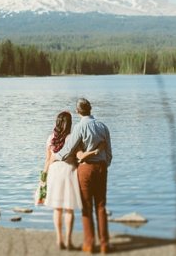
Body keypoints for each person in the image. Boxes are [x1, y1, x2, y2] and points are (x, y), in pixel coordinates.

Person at [55, 98, 112, 254]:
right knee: (101, 206)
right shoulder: (103, 126)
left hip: (85, 170)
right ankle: (105, 244)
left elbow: (67, 150)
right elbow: (109, 154)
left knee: (86, 207)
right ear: (90, 109)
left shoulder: (79, 128)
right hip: (101, 168)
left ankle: (89, 243)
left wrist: (55, 157)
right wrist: (103, 165)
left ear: (77, 111)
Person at [43, 111, 99, 250]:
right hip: (69, 173)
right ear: (70, 124)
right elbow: (80, 157)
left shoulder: (50, 139)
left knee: (57, 209)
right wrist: (94, 152)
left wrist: (43, 178)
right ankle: (68, 241)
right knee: (69, 209)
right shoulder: (73, 139)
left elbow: (47, 160)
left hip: (54, 173)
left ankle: (59, 240)